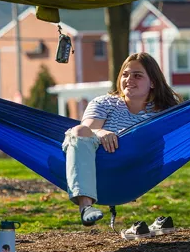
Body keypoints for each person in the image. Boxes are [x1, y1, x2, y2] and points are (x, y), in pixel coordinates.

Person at [63, 52, 182, 228]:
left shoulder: (162, 113)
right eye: (125, 75)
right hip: (97, 166)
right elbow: (87, 129)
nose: (129, 80)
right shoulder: (105, 103)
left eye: (137, 76)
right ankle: (86, 207)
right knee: (79, 130)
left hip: (133, 173)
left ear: (153, 83)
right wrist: (101, 133)